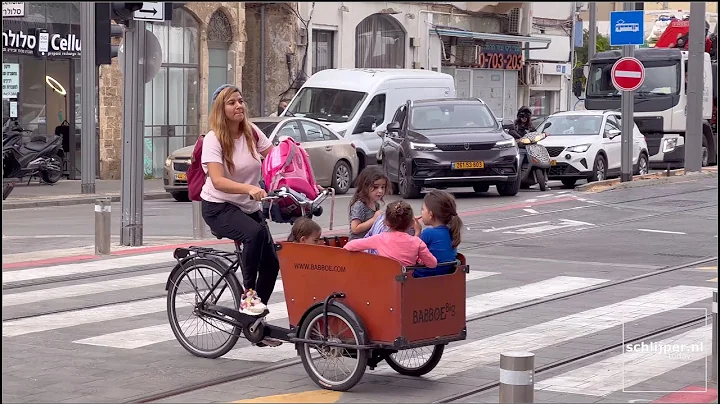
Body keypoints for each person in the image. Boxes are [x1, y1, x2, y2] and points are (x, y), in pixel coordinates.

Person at [200, 84, 279, 323]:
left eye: (240, 101)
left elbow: (275, 157)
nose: (238, 106)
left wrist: (299, 179)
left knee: (272, 263)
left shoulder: (251, 132)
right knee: (253, 234)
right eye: (231, 103)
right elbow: (218, 180)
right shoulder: (214, 140)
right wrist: (249, 188)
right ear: (220, 109)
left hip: (248, 206)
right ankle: (249, 295)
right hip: (218, 206)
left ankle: (254, 321)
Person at [343, 201, 438, 268]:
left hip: (384, 283)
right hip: (407, 286)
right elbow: (432, 263)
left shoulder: (379, 239)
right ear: (411, 224)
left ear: (386, 222)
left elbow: (350, 246)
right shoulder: (417, 242)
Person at [415, 190, 463, 278]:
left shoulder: (428, 233)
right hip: (445, 273)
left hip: (424, 275)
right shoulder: (452, 231)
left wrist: (417, 231)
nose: (421, 212)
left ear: (430, 214)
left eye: (423, 209)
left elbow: (412, 251)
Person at [348, 166, 389, 241]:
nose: (380, 191)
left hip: (369, 243)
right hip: (358, 246)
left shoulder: (376, 205)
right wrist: (374, 219)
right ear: (365, 186)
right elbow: (355, 228)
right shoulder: (359, 205)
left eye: (383, 187)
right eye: (375, 187)